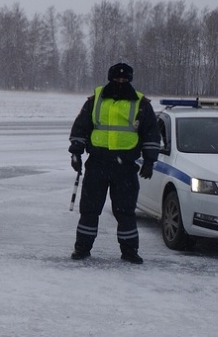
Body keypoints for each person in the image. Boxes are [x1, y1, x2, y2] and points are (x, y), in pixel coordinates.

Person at [68, 62, 161, 264]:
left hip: (125, 167)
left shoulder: (141, 103)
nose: (121, 81)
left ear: (130, 80)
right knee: (89, 211)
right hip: (97, 164)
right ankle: (82, 248)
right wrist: (76, 152)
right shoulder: (95, 100)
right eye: (117, 78)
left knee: (125, 212)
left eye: (125, 79)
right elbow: (81, 127)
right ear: (110, 79)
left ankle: (129, 252)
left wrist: (150, 160)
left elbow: (151, 133)